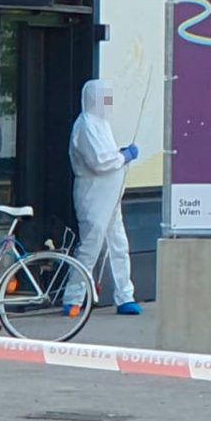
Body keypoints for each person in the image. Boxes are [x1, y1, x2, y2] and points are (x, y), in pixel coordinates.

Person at [64, 79, 141, 315]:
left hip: (111, 195)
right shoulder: (85, 124)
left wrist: (119, 155)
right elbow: (99, 161)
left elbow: (106, 156)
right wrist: (124, 157)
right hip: (94, 195)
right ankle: (73, 297)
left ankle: (125, 296)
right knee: (91, 244)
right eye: (105, 98)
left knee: (118, 244)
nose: (108, 103)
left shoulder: (101, 124)